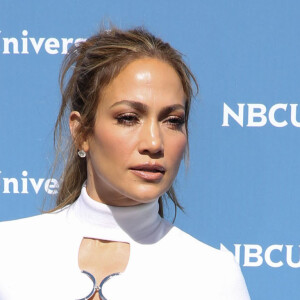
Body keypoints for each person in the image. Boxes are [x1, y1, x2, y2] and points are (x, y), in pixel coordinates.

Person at [0, 26, 250, 300]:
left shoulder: (214, 277)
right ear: (81, 132)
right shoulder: (8, 252)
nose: (154, 143)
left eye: (173, 121)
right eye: (129, 118)